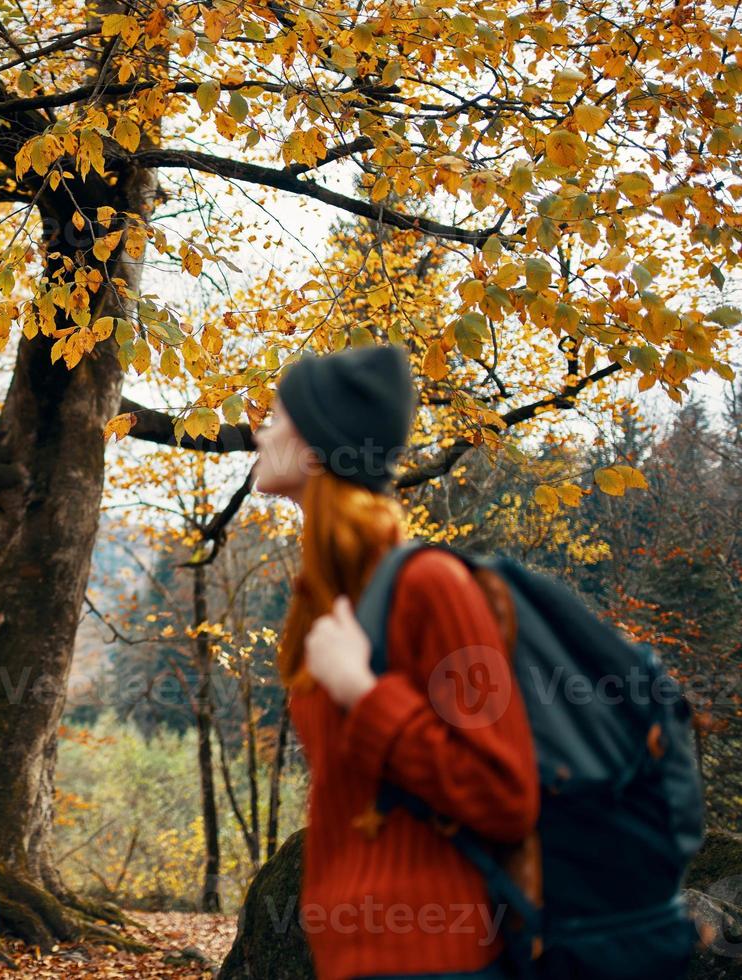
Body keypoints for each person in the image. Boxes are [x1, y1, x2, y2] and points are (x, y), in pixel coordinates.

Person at [251, 343, 540, 980]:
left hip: (440, 959)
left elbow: (507, 793)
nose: (257, 429)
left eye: (275, 416)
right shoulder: (331, 602)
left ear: (316, 445)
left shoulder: (431, 586)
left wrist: (363, 690)